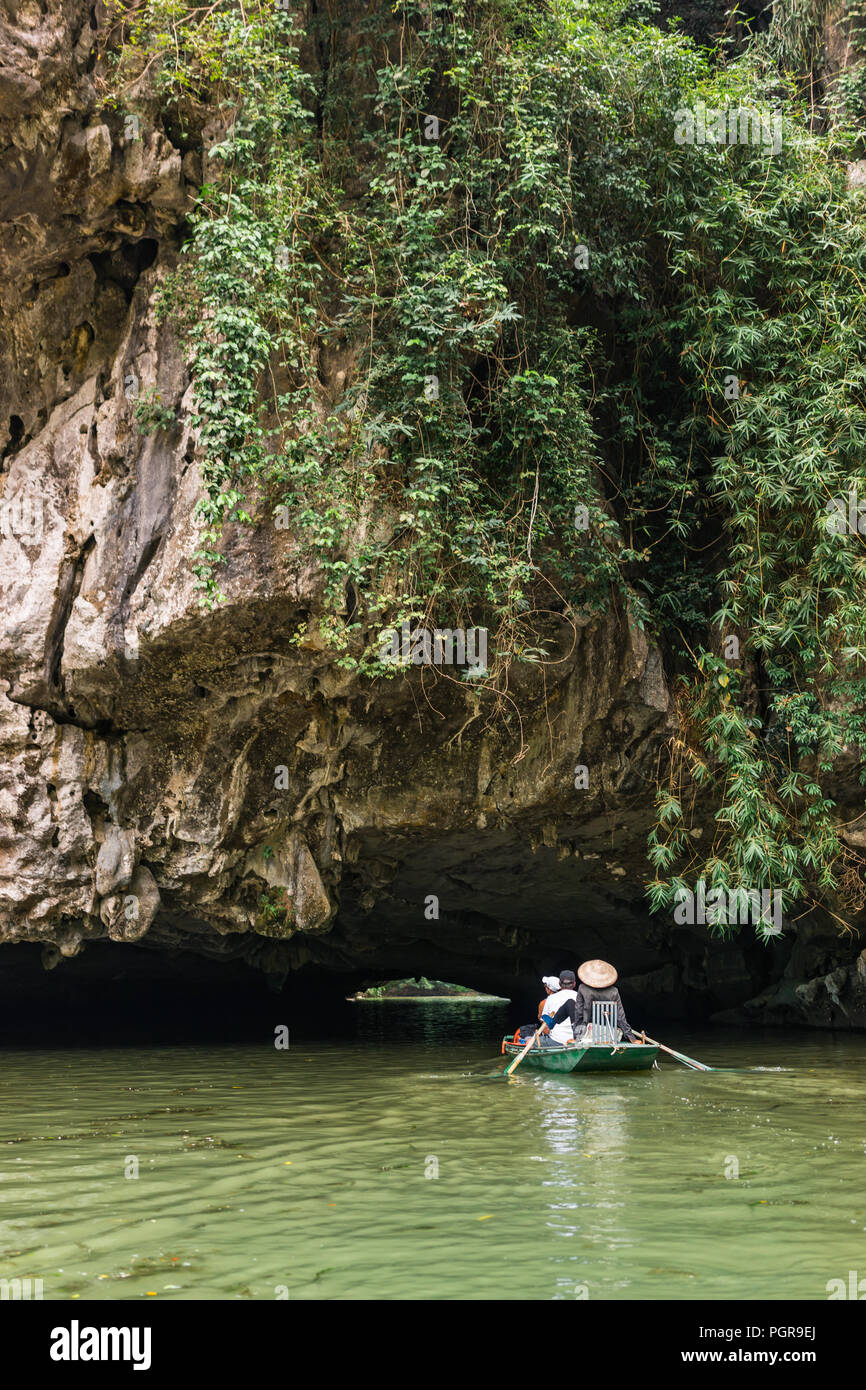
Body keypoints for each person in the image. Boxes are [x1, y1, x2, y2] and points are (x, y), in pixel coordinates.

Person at [542, 960, 640, 1044]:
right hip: (609, 1034)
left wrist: (577, 1037)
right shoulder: (614, 991)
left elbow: (579, 1014)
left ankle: (551, 1023)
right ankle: (551, 1023)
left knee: (570, 1003)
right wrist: (632, 1038)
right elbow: (620, 1017)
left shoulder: (583, 989)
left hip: (588, 1034)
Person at [538, 969, 578, 1047]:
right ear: (575, 984)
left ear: (560, 984)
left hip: (557, 1041)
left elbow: (545, 1028)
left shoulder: (550, 998)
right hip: (577, 1040)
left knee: (532, 1041)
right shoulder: (581, 998)